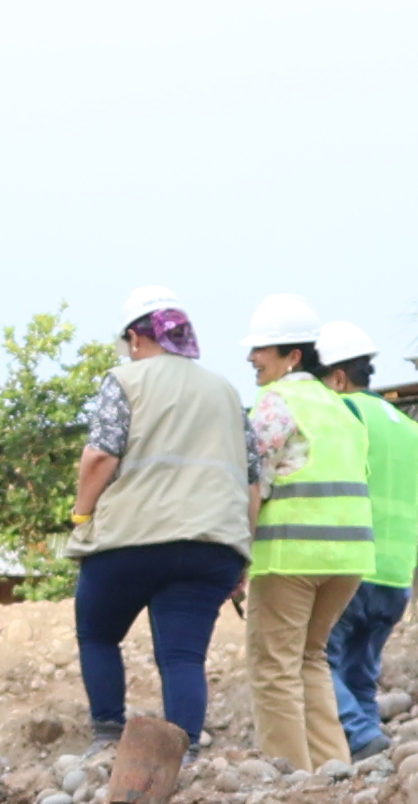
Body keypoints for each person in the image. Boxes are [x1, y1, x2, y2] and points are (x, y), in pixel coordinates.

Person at [69, 289, 270, 745]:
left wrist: (81, 516)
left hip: (129, 544)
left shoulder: (124, 380)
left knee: (97, 634)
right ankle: (183, 753)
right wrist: (242, 550)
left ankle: (106, 739)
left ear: (136, 340)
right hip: (211, 549)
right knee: (183, 657)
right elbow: (252, 482)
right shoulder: (226, 391)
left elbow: (101, 455)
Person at [231, 295, 373, 768]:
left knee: (274, 668)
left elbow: (252, 486)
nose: (252, 358)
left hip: (291, 556)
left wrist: (238, 557)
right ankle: (333, 771)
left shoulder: (275, 405)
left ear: (292, 356)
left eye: (261, 350)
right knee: (311, 660)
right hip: (348, 560)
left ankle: (288, 776)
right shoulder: (341, 408)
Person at [315, 320, 418, 759]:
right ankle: (370, 752)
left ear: (339, 377)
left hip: (354, 565)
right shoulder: (410, 429)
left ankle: (361, 735)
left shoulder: (346, 416)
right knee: (360, 672)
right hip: (397, 574)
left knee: (316, 660)